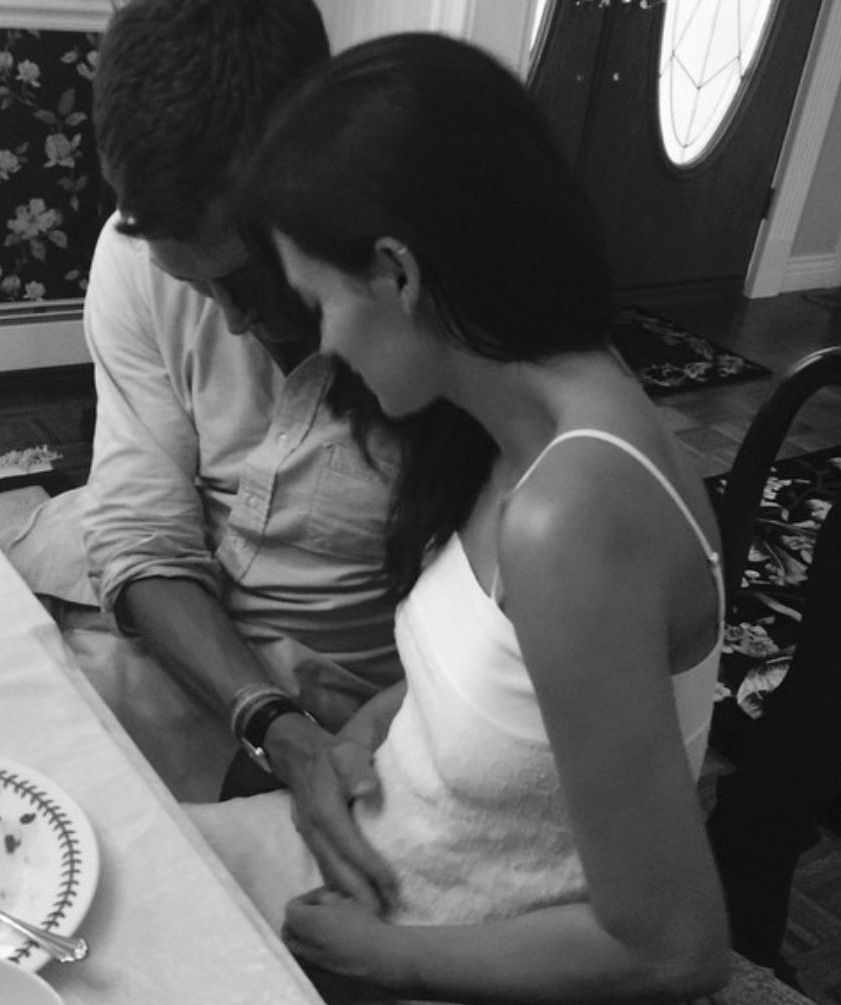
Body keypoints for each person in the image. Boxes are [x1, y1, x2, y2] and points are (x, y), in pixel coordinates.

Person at [187, 32, 731, 1003]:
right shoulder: (523, 421)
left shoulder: (572, 516)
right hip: (387, 876)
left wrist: (381, 956)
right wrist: (368, 730)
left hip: (432, 958)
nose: (322, 344)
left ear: (397, 274)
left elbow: (674, 947)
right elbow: (517, 684)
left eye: (319, 302)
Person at [0, 0, 414, 811]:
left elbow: (490, 641)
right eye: (192, 284)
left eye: (244, 275)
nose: (231, 320)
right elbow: (140, 533)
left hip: (357, 702)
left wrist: (309, 733)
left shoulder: (422, 309)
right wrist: (267, 720)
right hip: (191, 653)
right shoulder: (134, 255)